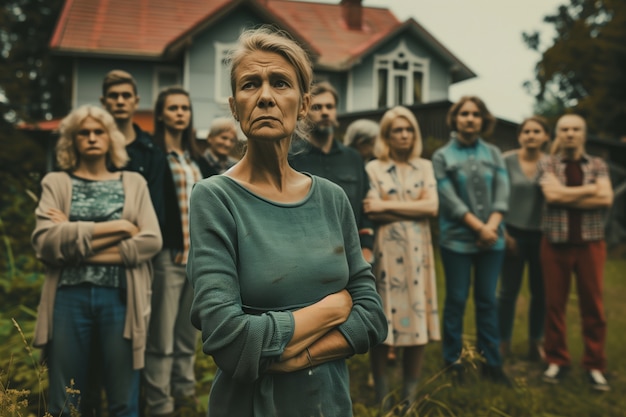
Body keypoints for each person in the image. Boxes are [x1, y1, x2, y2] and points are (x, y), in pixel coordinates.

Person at [186, 27, 387, 416]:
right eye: (250, 85)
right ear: (234, 106)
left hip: (330, 403)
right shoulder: (214, 198)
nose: (265, 97)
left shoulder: (331, 198)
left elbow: (373, 317)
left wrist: (299, 357)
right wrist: (331, 309)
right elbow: (228, 341)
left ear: (304, 103)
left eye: (280, 83)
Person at [31, 105, 162, 416]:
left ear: (110, 137)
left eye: (98, 131)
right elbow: (44, 243)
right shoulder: (56, 183)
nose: (91, 137)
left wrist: (72, 240)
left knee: (122, 402)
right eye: (83, 132)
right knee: (65, 402)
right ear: (72, 141)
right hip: (67, 299)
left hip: (120, 299)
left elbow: (151, 241)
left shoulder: (133, 183)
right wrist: (119, 227)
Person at [143, 87, 215, 417]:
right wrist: (167, 243)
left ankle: (184, 394)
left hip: (195, 261)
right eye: (173, 108)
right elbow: (157, 209)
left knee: (188, 334)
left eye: (185, 108)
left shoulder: (196, 159)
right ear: (161, 114)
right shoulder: (156, 156)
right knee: (161, 336)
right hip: (168, 257)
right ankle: (159, 403)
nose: (180, 113)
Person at [364, 106, 440, 407]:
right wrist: (408, 208)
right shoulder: (373, 168)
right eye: (398, 130)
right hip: (386, 252)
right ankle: (382, 398)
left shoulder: (425, 166)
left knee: (417, 325)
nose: (404, 135)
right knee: (384, 325)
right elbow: (370, 208)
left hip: (418, 252)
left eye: (409, 130)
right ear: (387, 135)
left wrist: (387, 207)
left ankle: (409, 398)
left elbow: (432, 208)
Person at [431, 96, 510, 384]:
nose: (469, 118)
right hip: (457, 242)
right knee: (456, 299)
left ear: (483, 119)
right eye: (464, 113)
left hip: (492, 241)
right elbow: (449, 198)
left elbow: (503, 193)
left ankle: (492, 362)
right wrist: (480, 228)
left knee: (487, 301)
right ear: (455, 118)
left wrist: (492, 227)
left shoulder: (494, 153)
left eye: (475, 114)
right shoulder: (442, 156)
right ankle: (453, 362)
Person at [538, 113, 613, 391]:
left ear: (583, 134)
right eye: (565, 129)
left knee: (593, 306)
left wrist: (568, 193)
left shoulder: (597, 164)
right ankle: (557, 359)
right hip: (555, 242)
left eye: (576, 129)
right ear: (558, 133)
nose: (570, 134)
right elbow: (552, 197)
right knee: (554, 305)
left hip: (591, 243)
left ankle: (595, 365)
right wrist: (590, 190)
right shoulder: (547, 163)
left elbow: (606, 199)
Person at [289, 81, 374, 263]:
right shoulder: (292, 157)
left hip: (351, 254)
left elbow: (366, 206)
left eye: (330, 107)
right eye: (317, 107)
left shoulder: (353, 158)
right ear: (304, 113)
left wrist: (367, 246)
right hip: (305, 256)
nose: (325, 112)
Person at [497, 116, 550, 361]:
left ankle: (535, 342)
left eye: (536, 131)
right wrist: (503, 232)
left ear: (545, 136)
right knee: (508, 292)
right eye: (526, 131)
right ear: (520, 136)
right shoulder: (506, 160)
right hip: (512, 233)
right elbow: (496, 197)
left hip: (542, 236)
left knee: (540, 293)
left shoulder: (551, 164)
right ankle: (502, 342)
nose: (531, 135)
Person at [101, 69, 166, 229]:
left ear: (136, 101)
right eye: (113, 96)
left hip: (142, 243)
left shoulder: (152, 150)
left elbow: (156, 208)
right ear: (103, 101)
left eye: (126, 95)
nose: (120, 101)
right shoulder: (93, 147)